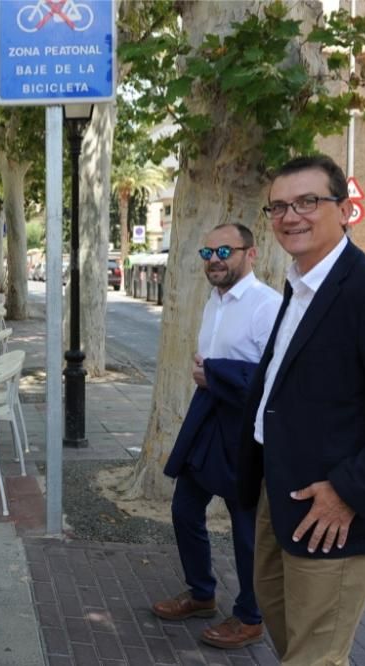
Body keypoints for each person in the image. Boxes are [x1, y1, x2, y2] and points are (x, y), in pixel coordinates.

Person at [238, 154, 365, 665]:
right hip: (279, 496)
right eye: (278, 206)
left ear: (344, 210)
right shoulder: (299, 284)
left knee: (314, 658)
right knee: (291, 644)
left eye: (307, 202)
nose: (290, 216)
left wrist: (348, 492)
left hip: (333, 513)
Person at [151, 224, 280, 649]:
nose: (214, 258)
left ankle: (249, 616)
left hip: (243, 430)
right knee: (185, 508)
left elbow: (272, 378)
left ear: (252, 254)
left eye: (225, 249)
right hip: (207, 418)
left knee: (246, 526)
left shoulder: (267, 305)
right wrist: (211, 374)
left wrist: (215, 373)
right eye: (208, 250)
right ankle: (202, 593)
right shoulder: (214, 300)